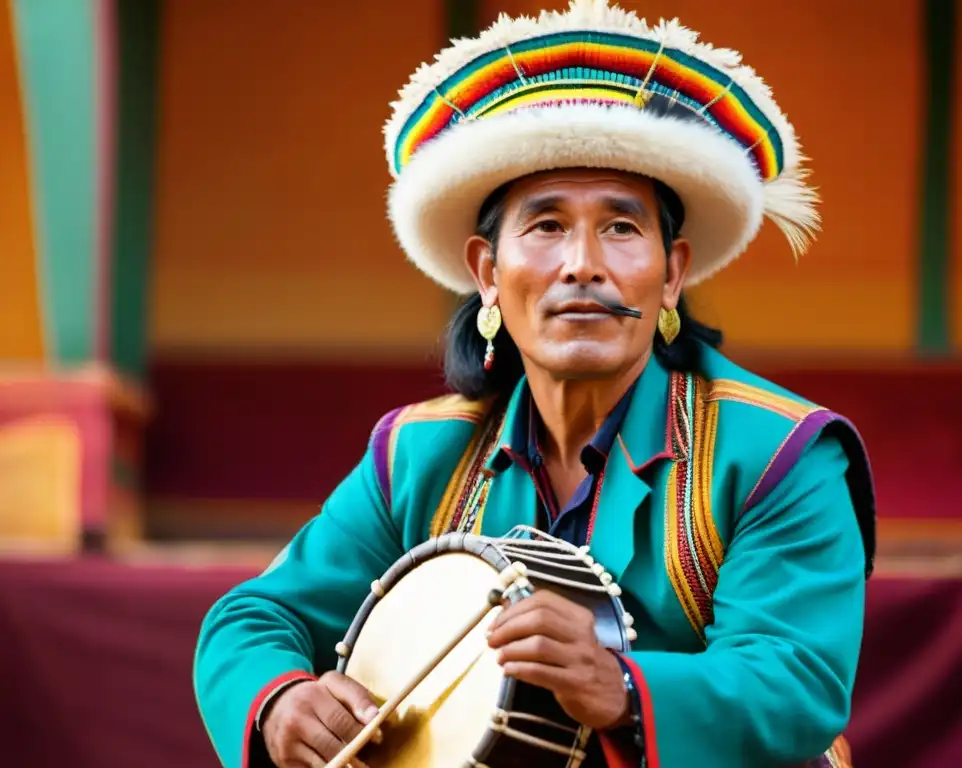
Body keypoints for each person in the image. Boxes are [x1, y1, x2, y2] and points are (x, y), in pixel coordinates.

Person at [193, 2, 876, 767]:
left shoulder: (777, 453)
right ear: (487, 272)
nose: (583, 263)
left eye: (621, 227)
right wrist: (280, 700)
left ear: (672, 272)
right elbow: (252, 618)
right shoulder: (418, 455)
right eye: (546, 226)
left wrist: (620, 686)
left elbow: (795, 682)